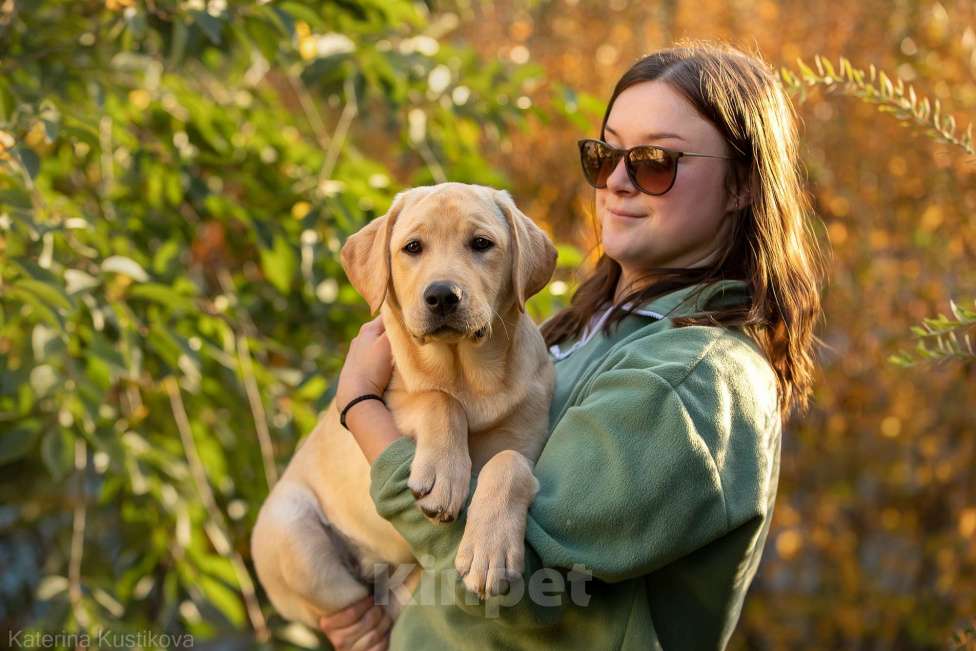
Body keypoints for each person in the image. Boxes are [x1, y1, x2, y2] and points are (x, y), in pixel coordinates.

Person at [320, 40, 828, 650]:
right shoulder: (583, 331)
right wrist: (370, 602)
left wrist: (362, 408)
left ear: (742, 185)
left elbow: (521, 586)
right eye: (605, 154)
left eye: (655, 161)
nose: (616, 180)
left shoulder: (690, 378)